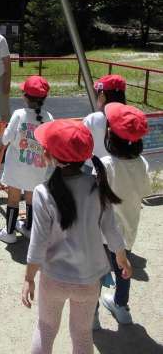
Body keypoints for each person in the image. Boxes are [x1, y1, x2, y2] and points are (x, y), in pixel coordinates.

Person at [21, 119, 132, 354]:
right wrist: (121, 257)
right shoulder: (97, 186)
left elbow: (38, 242)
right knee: (82, 335)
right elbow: (111, 228)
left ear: (50, 155)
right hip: (89, 279)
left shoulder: (43, 192)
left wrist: (29, 277)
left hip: (53, 277)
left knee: (45, 329)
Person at [97, 102, 150, 326]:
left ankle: (91, 314)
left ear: (110, 136)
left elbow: (95, 197)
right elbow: (145, 192)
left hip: (102, 231)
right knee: (123, 267)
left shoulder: (105, 164)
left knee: (97, 270)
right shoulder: (142, 163)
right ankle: (121, 306)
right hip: (128, 228)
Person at [0, 76, 53, 244]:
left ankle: (9, 232)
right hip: (38, 167)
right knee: (31, 198)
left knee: (13, 199)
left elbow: (6, 139)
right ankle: (28, 227)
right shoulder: (49, 117)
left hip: (17, 166)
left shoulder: (19, 114)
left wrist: (4, 132)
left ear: (25, 96)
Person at [83, 74, 126, 160]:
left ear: (102, 96)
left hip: (95, 165)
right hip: (122, 165)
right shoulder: (129, 117)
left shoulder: (92, 119)